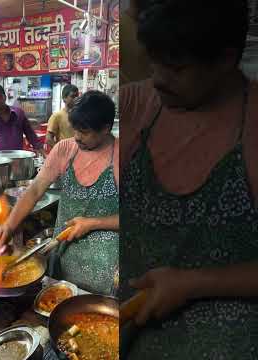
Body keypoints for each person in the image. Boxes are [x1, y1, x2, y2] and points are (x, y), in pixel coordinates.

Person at [120, 1, 258, 358]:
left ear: (226, 60)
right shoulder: (137, 104)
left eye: (177, 67)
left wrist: (191, 283)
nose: (158, 79)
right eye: (154, 61)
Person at [0, 91, 119, 294]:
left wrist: (92, 223)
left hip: (103, 264)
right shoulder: (64, 149)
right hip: (62, 252)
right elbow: (34, 191)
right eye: (75, 129)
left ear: (105, 128)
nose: (77, 137)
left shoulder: (121, 156)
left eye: (85, 132)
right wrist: (9, 225)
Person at [0, 84, 46, 157]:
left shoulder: (18, 114)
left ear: (4, 97)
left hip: (18, 160)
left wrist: (41, 150)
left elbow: (30, 134)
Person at [46, 84, 79, 149]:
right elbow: (49, 139)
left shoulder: (80, 115)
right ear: (64, 98)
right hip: (65, 155)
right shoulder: (57, 116)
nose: (76, 99)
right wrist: (60, 151)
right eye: (73, 96)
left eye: (77, 96)